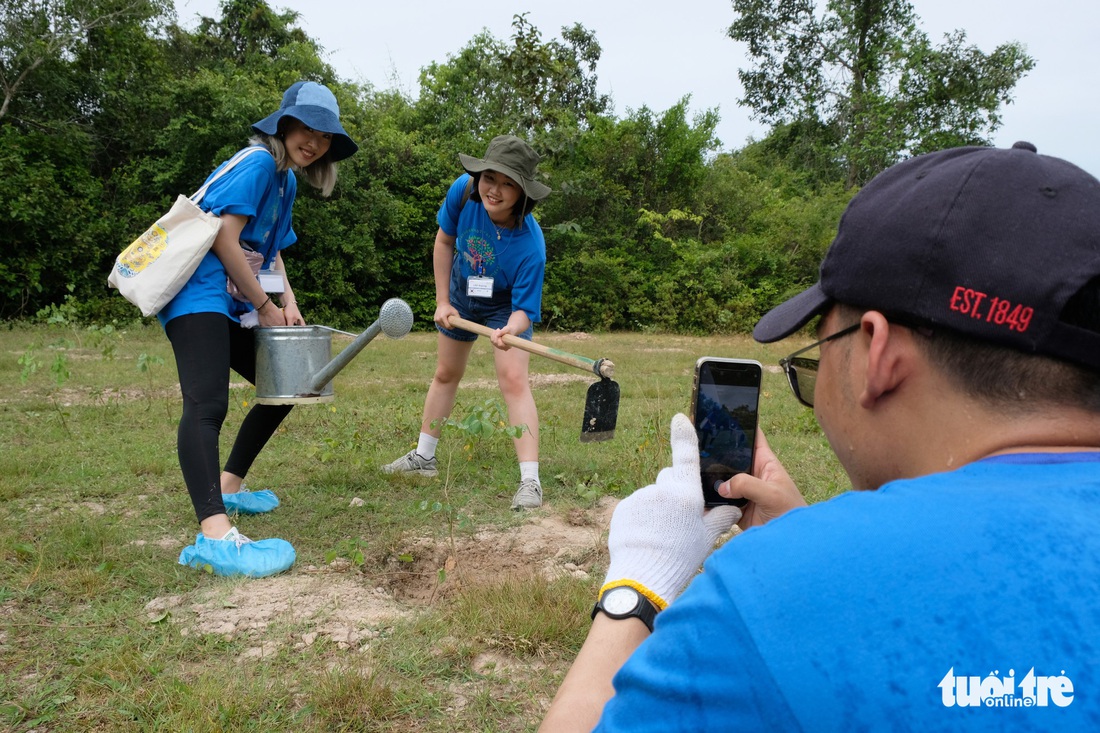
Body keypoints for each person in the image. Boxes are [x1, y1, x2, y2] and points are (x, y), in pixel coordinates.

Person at [540, 142, 1100, 731]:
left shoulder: (767, 595)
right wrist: (814, 538)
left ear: (875, 354)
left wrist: (637, 587)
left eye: (816, 353)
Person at [162, 81, 359, 578]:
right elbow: (225, 240)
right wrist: (264, 306)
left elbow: (271, 251)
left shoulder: (285, 180)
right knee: (207, 403)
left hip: (233, 298)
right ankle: (214, 536)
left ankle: (230, 485)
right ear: (284, 125)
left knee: (287, 386)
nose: (312, 141)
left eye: (324, 136)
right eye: (306, 128)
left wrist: (287, 304)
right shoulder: (255, 164)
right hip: (197, 293)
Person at [382, 135, 552, 510]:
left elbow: (525, 309)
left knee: (513, 381)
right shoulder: (463, 192)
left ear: (523, 193)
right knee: (446, 372)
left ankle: (530, 482)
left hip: (504, 308)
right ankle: (423, 458)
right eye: (490, 177)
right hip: (461, 296)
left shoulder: (530, 246)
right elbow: (444, 243)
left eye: (509, 183)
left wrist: (511, 327)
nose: (495, 189)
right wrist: (443, 300)